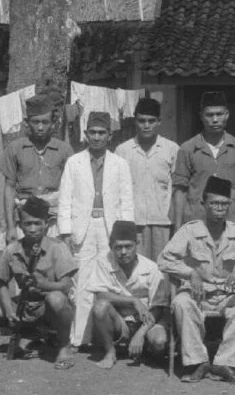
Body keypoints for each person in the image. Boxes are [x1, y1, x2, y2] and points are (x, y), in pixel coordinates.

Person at [158, 176, 235, 384]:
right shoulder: (189, 230)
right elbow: (164, 260)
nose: (219, 208)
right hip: (198, 294)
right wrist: (190, 272)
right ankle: (198, 362)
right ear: (204, 204)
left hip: (229, 295)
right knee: (180, 303)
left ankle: (224, 362)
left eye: (224, 204)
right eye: (214, 203)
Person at [57, 110, 134, 346]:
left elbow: (126, 199)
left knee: (109, 278)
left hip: (110, 227)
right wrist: (66, 231)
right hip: (84, 226)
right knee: (82, 282)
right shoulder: (74, 162)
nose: (97, 137)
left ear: (110, 135)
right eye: (92, 132)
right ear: (86, 134)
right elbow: (65, 198)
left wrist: (125, 232)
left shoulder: (120, 164)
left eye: (102, 133)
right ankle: (79, 337)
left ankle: (106, 335)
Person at [0, 196, 78, 370]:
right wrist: (9, 311)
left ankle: (64, 345)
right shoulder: (12, 250)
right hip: (25, 306)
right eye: (27, 224)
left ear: (46, 224)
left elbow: (66, 285)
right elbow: (1, 282)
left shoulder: (58, 248)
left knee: (56, 299)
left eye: (37, 223)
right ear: (20, 225)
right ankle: (31, 335)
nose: (32, 229)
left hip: (49, 307)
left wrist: (44, 285)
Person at [86, 220, 170, 369]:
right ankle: (110, 352)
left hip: (147, 322)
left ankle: (142, 348)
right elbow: (100, 295)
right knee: (100, 307)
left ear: (136, 243)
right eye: (118, 247)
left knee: (159, 342)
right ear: (111, 246)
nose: (123, 252)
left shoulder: (151, 268)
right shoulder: (103, 262)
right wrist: (133, 301)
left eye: (128, 246)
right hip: (120, 322)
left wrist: (141, 334)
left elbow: (158, 308)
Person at [172, 91, 235, 229]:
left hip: (231, 223)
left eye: (219, 114)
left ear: (227, 115)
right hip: (197, 222)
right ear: (201, 116)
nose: (215, 119)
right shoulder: (188, 149)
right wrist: (177, 228)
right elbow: (180, 189)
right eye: (209, 115)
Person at [0, 94, 73, 239]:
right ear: (27, 122)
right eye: (35, 122)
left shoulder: (64, 150)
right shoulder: (15, 148)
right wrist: (10, 227)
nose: (40, 127)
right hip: (24, 218)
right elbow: (9, 188)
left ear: (53, 123)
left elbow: (71, 190)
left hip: (54, 219)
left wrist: (67, 227)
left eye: (45, 122)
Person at [115, 97, 179, 259]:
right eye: (142, 121)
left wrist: (176, 224)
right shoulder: (123, 151)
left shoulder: (171, 150)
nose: (146, 125)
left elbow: (176, 189)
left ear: (159, 121)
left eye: (151, 121)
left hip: (162, 222)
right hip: (133, 223)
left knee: (163, 269)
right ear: (135, 121)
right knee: (136, 271)